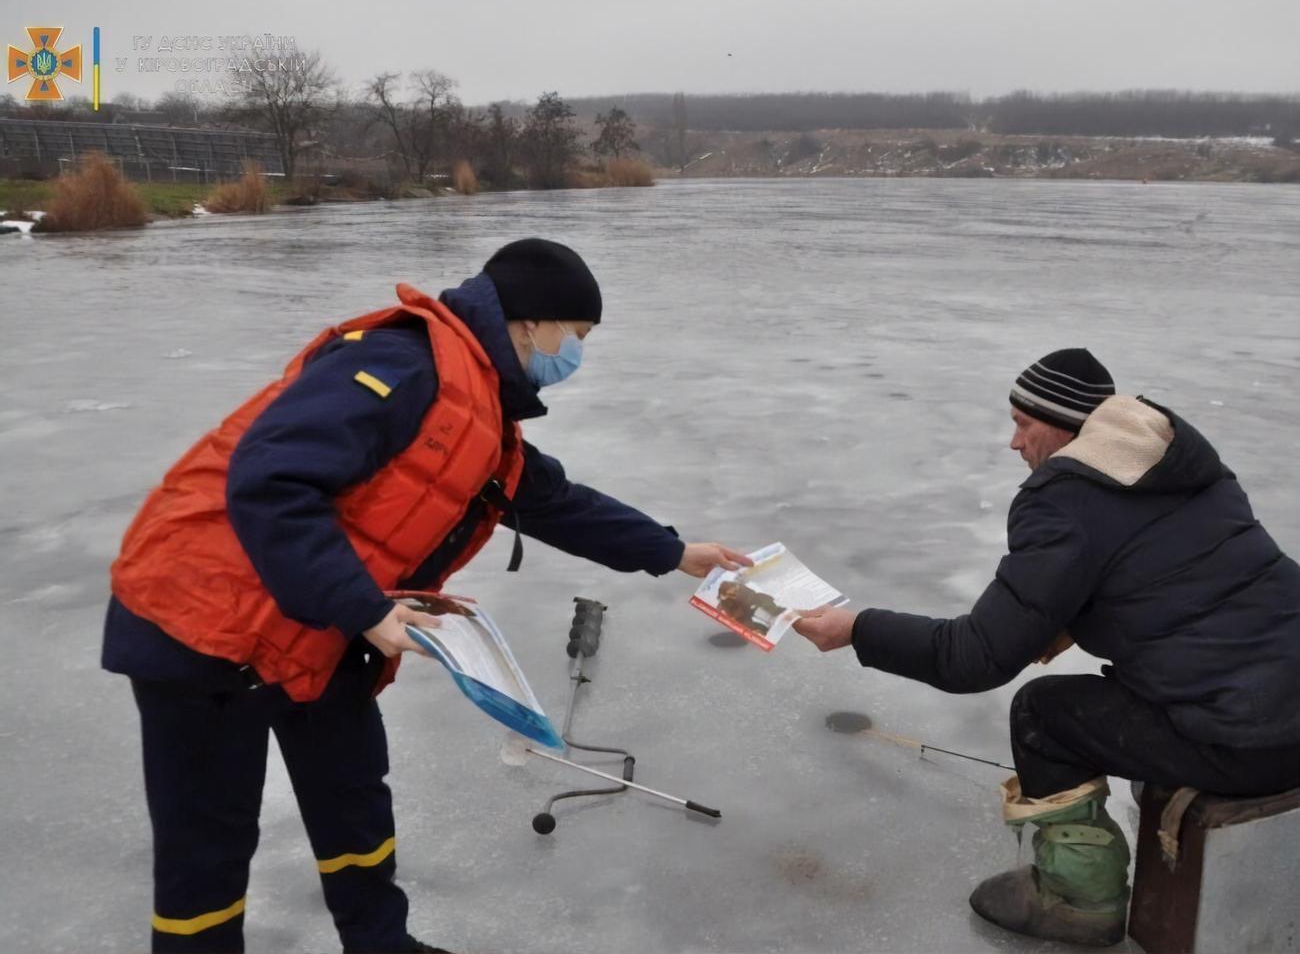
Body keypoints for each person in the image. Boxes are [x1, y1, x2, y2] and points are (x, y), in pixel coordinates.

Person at [104, 238, 751, 954]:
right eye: (578, 336)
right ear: (534, 323)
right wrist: (370, 610)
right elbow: (270, 479)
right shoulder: (400, 364)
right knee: (208, 848)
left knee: (354, 802)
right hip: (202, 626)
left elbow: (551, 501)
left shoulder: (479, 405)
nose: (576, 355)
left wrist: (673, 551)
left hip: (323, 627)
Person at [794, 348, 1300, 947]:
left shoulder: (1061, 501)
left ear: (1063, 426)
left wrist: (857, 629)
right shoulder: (1189, 471)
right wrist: (1079, 617)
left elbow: (974, 656)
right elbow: (1180, 580)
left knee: (1044, 714)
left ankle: (1080, 900)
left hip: (1249, 741)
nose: (1014, 443)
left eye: (1022, 424)